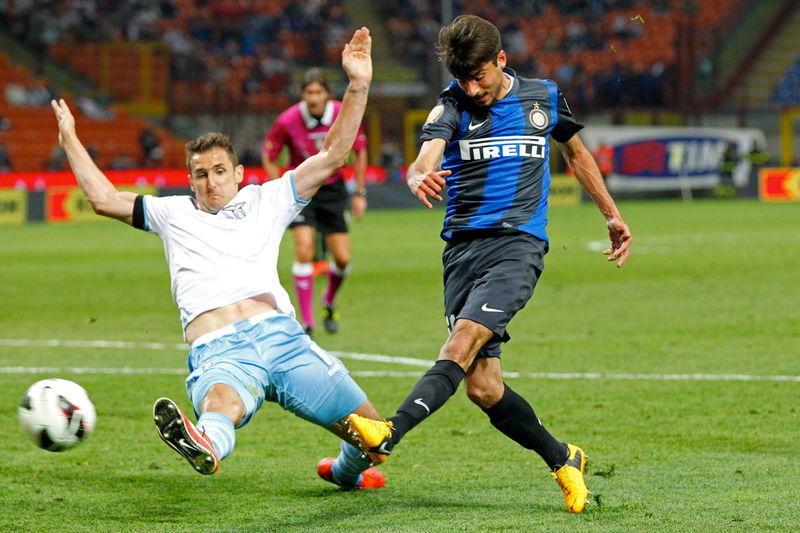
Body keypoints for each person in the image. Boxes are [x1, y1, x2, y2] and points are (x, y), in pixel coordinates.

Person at [51, 28, 385, 490]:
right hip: (221, 348)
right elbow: (104, 199)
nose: (211, 182)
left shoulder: (268, 199)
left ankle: (344, 471)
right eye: (201, 174)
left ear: (239, 173)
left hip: (284, 340)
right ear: (190, 179)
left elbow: (333, 155)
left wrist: (358, 84)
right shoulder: (170, 212)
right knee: (222, 405)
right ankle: (205, 441)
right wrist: (70, 137)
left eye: (220, 171)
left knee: (377, 439)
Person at [346, 15, 632, 514]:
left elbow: (576, 153)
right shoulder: (452, 104)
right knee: (482, 387)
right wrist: (416, 175)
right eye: (463, 79)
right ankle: (564, 457)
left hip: (518, 245)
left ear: (501, 59)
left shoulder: (542, 97)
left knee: (461, 342)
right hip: (462, 251)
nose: (472, 89)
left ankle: (390, 430)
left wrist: (611, 214)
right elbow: (426, 156)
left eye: (479, 77)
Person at [262, 67, 368, 337]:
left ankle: (328, 300)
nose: (313, 98)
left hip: (333, 191)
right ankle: (307, 322)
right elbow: (269, 154)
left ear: (327, 94)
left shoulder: (343, 113)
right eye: (309, 92)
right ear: (302, 95)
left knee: (342, 259)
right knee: (305, 250)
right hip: (302, 190)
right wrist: (279, 189)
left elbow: (360, 150)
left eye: (318, 92)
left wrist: (359, 193)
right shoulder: (287, 120)